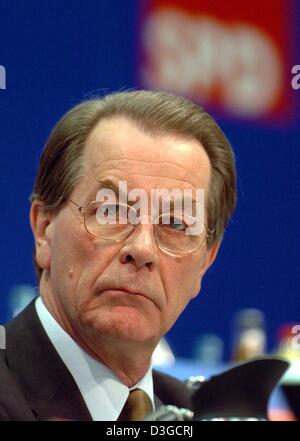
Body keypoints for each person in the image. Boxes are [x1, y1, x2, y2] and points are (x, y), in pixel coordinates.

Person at [0, 90, 236, 421]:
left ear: (206, 261)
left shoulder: (202, 414)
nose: (142, 249)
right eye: (112, 211)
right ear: (44, 229)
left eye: (175, 224)